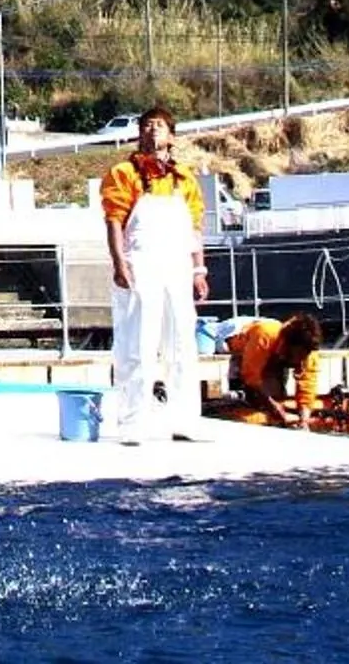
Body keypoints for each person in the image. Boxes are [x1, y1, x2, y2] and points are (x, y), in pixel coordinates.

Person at [100, 106, 209, 443]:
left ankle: (185, 421)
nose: (152, 131)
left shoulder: (184, 177)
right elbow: (114, 220)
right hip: (140, 264)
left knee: (181, 345)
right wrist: (120, 263)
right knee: (137, 344)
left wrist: (199, 269)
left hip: (177, 265)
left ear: (171, 136)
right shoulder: (124, 173)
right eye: (146, 126)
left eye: (159, 126)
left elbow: (194, 227)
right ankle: (132, 423)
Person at [225, 311, 324, 428]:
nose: (300, 359)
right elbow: (250, 375)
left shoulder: (309, 352)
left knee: (276, 395)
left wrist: (304, 420)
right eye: (298, 355)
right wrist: (272, 405)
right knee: (252, 400)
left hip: (273, 352)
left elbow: (308, 385)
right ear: (289, 344)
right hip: (235, 335)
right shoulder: (264, 335)